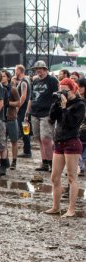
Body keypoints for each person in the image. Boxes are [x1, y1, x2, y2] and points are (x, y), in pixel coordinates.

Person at [44, 78, 85, 218]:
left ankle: (71, 209)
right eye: (60, 89)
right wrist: (57, 103)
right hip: (59, 141)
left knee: (71, 177)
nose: (62, 92)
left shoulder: (80, 105)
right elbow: (51, 117)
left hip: (72, 141)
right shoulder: (60, 102)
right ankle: (56, 207)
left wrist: (65, 106)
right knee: (54, 177)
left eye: (64, 90)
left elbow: (71, 123)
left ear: (72, 89)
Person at [26, 61, 59, 172]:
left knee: (46, 139)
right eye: (36, 69)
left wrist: (53, 113)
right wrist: (27, 112)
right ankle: (44, 162)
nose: (37, 70)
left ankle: (52, 163)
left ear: (45, 69)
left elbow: (56, 98)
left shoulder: (52, 80)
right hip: (34, 113)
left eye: (40, 68)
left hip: (46, 114)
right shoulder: (34, 81)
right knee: (39, 139)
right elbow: (31, 98)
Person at [0, 71, 21, 171]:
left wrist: (8, 103)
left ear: (8, 78)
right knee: (2, 141)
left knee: (14, 141)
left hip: (11, 118)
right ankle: (5, 160)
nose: (2, 78)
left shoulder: (13, 89)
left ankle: (14, 161)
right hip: (1, 118)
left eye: (4, 76)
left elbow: (18, 103)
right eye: (1, 76)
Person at [15, 65, 32, 159]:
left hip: (23, 110)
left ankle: (27, 151)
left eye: (15, 70)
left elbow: (23, 96)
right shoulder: (24, 81)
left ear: (19, 71)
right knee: (25, 129)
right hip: (24, 109)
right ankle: (27, 150)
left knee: (24, 129)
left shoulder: (24, 82)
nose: (15, 72)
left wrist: (18, 107)